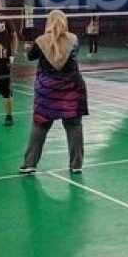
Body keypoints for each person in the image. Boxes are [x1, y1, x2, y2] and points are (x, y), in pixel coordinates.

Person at [20, 10, 88, 174]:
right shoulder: (74, 39)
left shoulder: (40, 41)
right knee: (74, 126)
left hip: (47, 90)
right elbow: (70, 54)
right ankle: (76, 165)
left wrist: (28, 49)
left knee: (40, 126)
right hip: (72, 89)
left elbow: (31, 56)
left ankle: (30, 164)